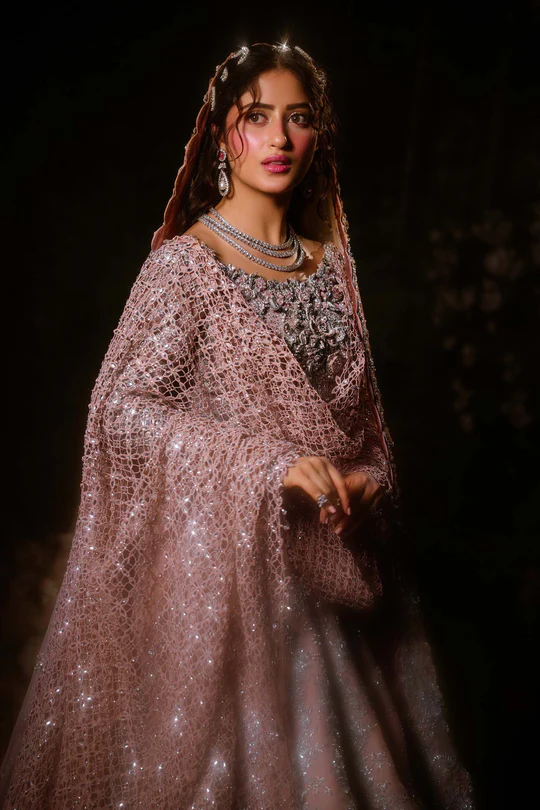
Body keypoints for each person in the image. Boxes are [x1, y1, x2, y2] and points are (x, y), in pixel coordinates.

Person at [0, 42, 477, 809]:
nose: (279, 138)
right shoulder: (186, 269)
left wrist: (366, 485)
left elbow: (368, 437)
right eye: (258, 118)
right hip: (223, 606)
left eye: (299, 118)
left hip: (335, 606)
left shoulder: (333, 270)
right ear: (224, 135)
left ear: (319, 136)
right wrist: (264, 465)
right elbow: (121, 412)